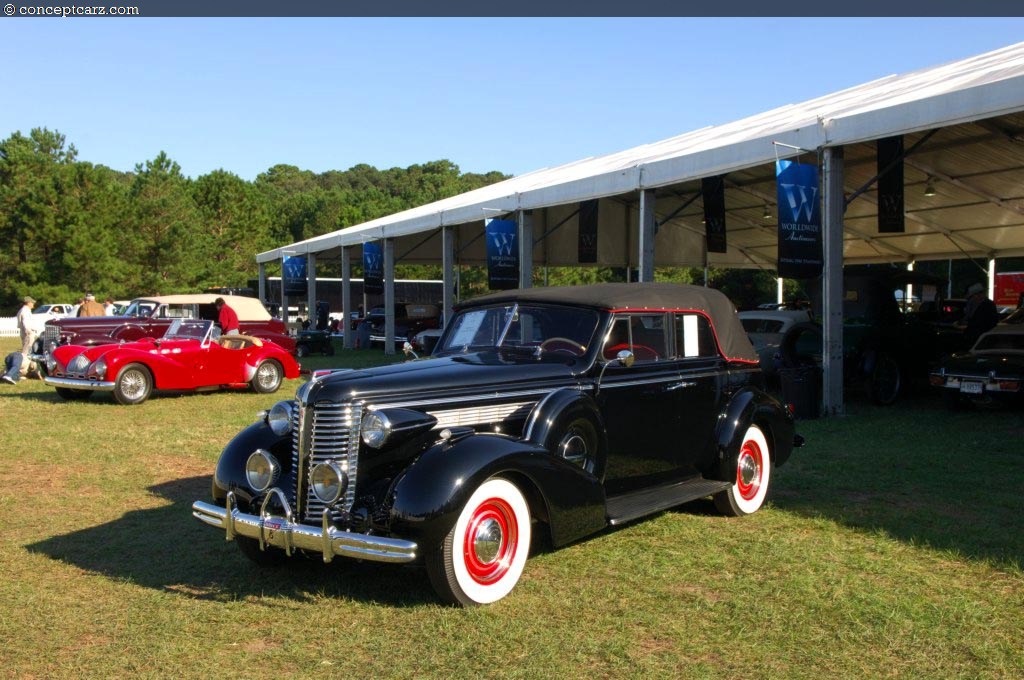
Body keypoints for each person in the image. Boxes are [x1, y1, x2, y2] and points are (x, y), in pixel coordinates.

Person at [962, 282, 999, 346]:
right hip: (978, 335)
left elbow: (989, 322)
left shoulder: (987, 305)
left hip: (980, 336)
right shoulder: (976, 304)